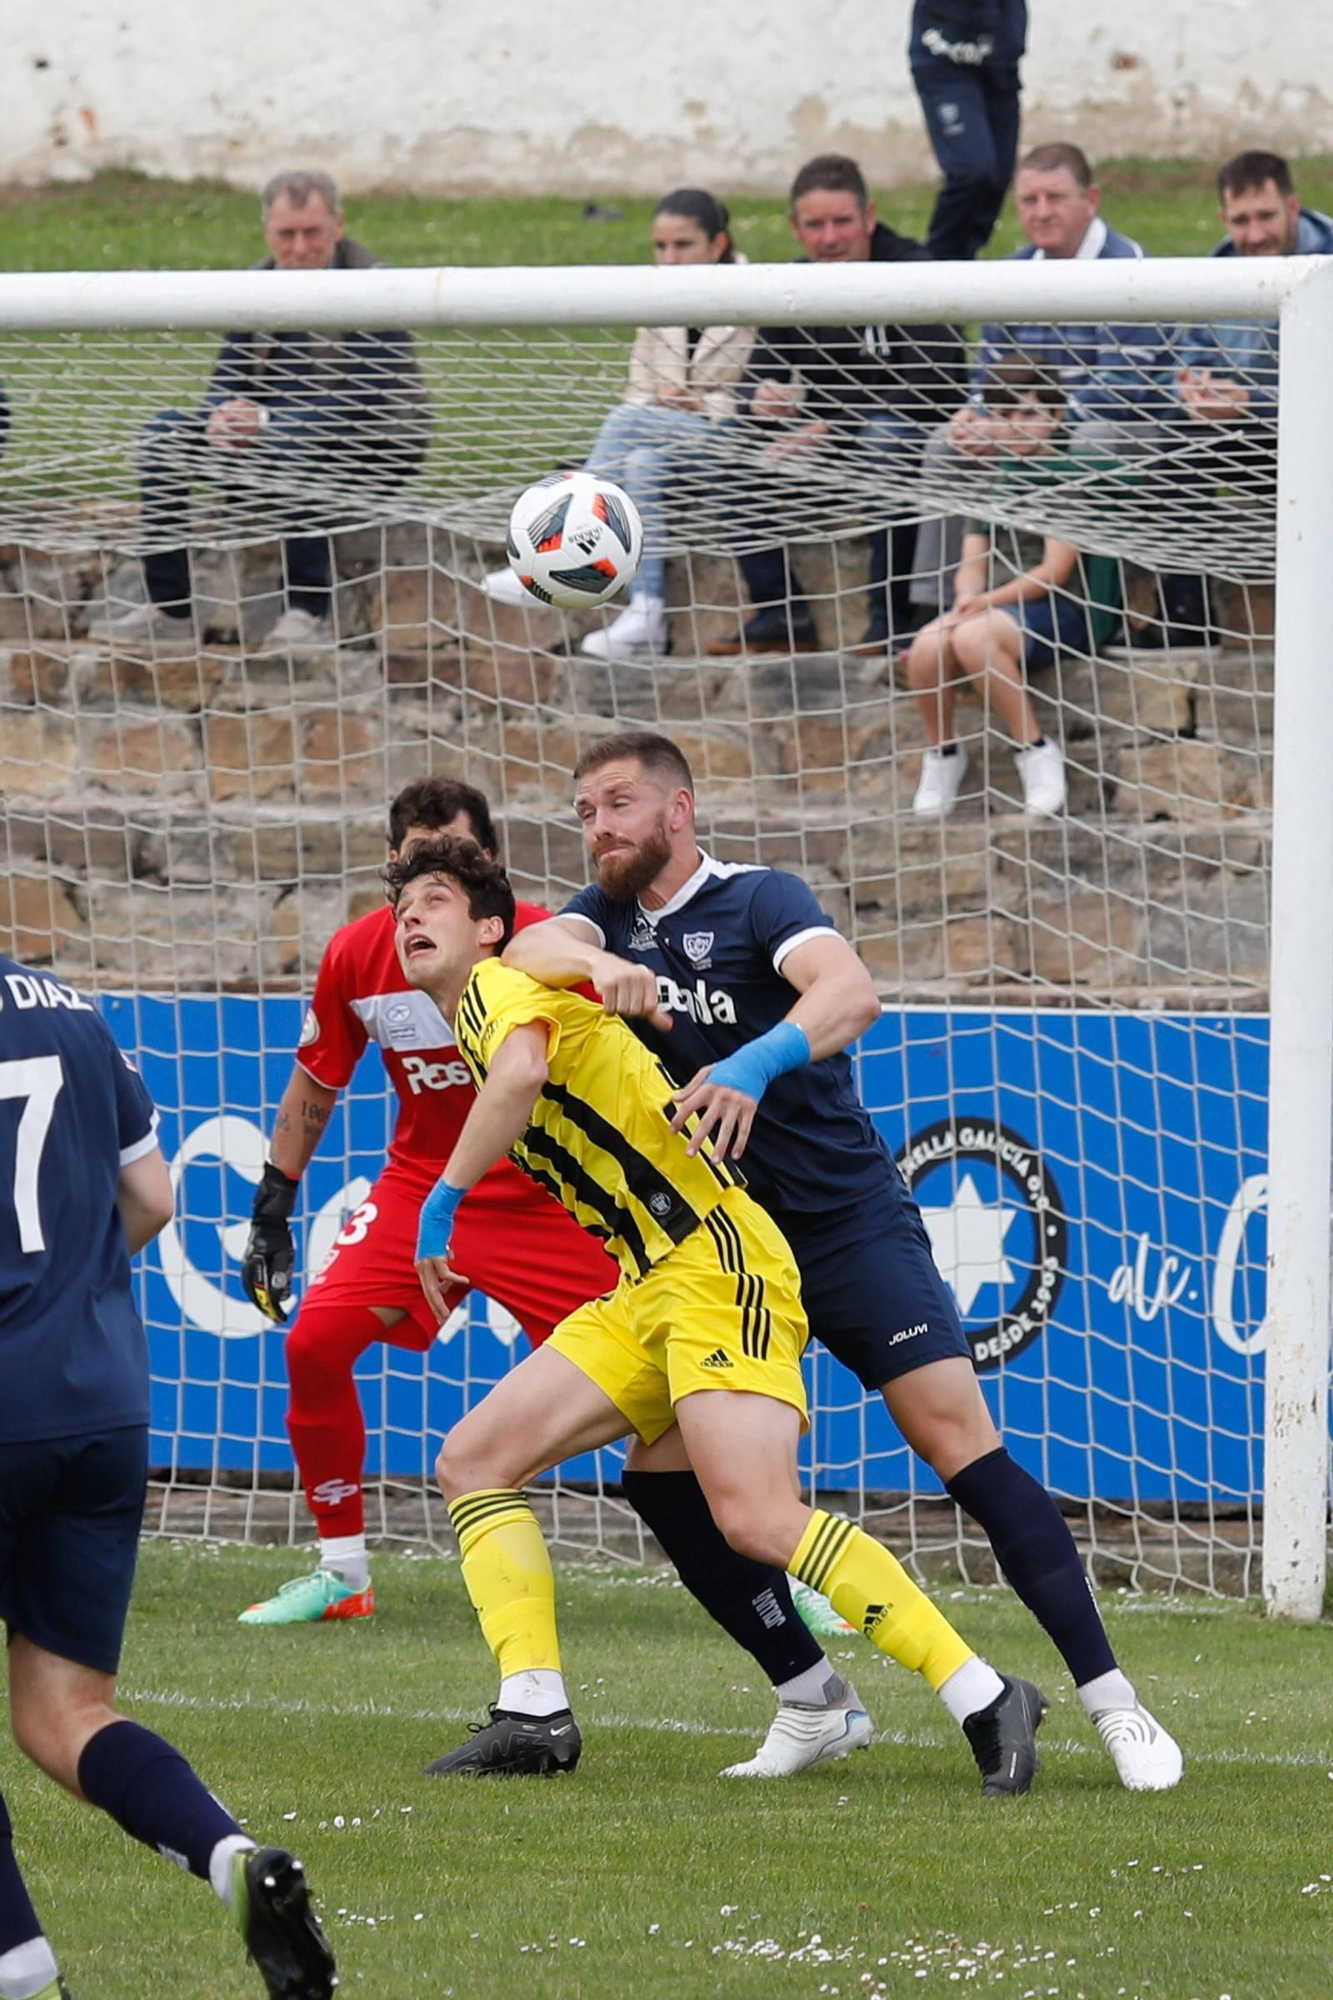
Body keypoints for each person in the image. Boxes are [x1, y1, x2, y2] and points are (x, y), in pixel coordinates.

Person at [503, 730, 1185, 1793]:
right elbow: (519, 957)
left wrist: (749, 1060)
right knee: (661, 1477)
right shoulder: (602, 924)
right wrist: (597, 962)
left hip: (839, 1224)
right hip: (726, 1262)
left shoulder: (759, 898)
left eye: (620, 804)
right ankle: (810, 1696)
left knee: (958, 1445)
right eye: (585, 809)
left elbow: (849, 990)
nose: (600, 826)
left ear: (679, 809)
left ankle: (1113, 1701)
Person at [392, 834, 1047, 1794]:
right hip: (647, 1282)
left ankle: (985, 1694)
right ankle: (539, 1710)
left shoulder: (497, 990)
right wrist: (602, 962)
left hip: (712, 1258)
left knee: (754, 1516)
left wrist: (440, 1200)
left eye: (436, 899)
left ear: (488, 927)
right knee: (476, 1461)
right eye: (402, 906)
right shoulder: (498, 999)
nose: (411, 915)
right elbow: (553, 985)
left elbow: (525, 1067)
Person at [0, 952, 336, 1999]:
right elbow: (150, 1193)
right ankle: (234, 1857)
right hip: (101, 1396)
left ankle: (19, 1964)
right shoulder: (73, 1010)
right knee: (65, 1711)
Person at [236, 775, 618, 1627]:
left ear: (487, 872)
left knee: (672, 1373)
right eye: (408, 873)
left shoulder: (545, 946)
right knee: (313, 1347)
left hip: (549, 1194)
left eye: (446, 867)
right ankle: (342, 1574)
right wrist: (273, 1203)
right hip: (422, 1187)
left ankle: (789, 1572)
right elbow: (317, 1078)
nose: (419, 899)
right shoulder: (357, 955)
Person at [87, 170, 430, 656]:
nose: (299, 248)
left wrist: (269, 424)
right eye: (286, 235)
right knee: (161, 436)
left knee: (296, 444)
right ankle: (171, 613)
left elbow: (366, 402)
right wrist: (219, 418)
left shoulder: (377, 285)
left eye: (312, 233)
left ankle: (307, 613)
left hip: (372, 454)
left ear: (339, 225)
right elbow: (225, 380)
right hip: (268, 449)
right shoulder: (255, 284)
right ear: (267, 231)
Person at [705, 154, 965, 658]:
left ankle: (890, 621)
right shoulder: (795, 284)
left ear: (869, 217)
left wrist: (831, 426)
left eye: (842, 221)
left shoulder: (914, 271)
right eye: (815, 225)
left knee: (884, 440)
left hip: (913, 438)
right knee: (726, 445)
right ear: (795, 229)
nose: (830, 238)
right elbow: (756, 375)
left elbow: (931, 382)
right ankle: (781, 612)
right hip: (832, 437)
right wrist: (761, 397)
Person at [481, 188, 753, 661]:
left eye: (683, 246)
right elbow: (637, 389)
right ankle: (647, 615)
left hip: (731, 442)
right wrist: (660, 404)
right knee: (642, 460)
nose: (670, 259)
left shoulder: (758, 294)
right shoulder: (655, 299)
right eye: (661, 247)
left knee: (626, 423)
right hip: (663, 441)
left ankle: (547, 558)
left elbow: (768, 386)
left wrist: (698, 404)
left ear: (719, 245)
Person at [912, 142, 1171, 620]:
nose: (1042, 211)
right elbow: (990, 375)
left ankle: (1091, 607)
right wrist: (975, 416)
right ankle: (936, 613)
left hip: (1129, 435)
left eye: (1056, 197)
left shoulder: (1131, 268)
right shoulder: (1010, 275)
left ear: (1091, 199)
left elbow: (1121, 390)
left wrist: (1020, 427)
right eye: (1030, 200)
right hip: (1031, 429)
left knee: (1094, 440)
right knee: (943, 446)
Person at [906, 361, 1086, 818]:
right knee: (927, 644)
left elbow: (1054, 571)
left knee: (971, 637)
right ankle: (943, 753)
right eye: (1007, 416)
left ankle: (1035, 748)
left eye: (1029, 415)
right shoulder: (992, 483)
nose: (1018, 426)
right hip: (997, 609)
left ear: (1056, 416)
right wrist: (967, 597)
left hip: (1056, 612)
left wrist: (984, 604)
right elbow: (972, 563)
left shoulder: (1068, 477)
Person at [909, 1, 1027, 262]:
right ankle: (936, 261)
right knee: (972, 169)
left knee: (998, 175)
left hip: (999, 61)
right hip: (943, 58)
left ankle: (965, 260)